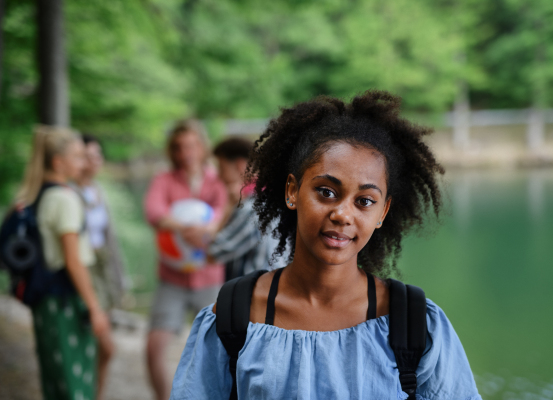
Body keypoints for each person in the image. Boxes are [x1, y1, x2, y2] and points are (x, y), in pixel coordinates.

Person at [170, 91, 482, 399]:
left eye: (364, 201)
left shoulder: (414, 325)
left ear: (382, 213)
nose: (343, 214)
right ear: (292, 191)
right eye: (326, 192)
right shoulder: (233, 316)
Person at [15, 126, 113, 400]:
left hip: (46, 300)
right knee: (74, 381)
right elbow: (73, 260)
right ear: (59, 162)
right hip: (65, 300)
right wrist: (95, 308)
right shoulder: (64, 198)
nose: (85, 163)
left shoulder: (37, 195)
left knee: (55, 379)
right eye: (79, 156)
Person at [144, 119, 228, 400]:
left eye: (192, 145)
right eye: (179, 147)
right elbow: (153, 212)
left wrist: (208, 227)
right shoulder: (163, 180)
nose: (186, 152)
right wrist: (183, 226)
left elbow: (223, 212)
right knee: (154, 347)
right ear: (173, 151)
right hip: (172, 277)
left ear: (202, 147)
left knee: (219, 351)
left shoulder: (217, 181)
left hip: (209, 276)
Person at [72, 134, 127, 400]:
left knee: (100, 348)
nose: (93, 162)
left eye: (97, 156)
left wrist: (120, 279)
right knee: (104, 347)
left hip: (101, 271)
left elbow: (110, 240)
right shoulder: (68, 192)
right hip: (80, 272)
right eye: (87, 156)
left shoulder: (97, 191)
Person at [183, 137, 283, 281]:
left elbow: (214, 253)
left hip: (255, 297)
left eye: (221, 167)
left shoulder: (252, 208)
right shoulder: (271, 197)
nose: (219, 175)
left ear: (239, 166)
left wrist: (199, 237)